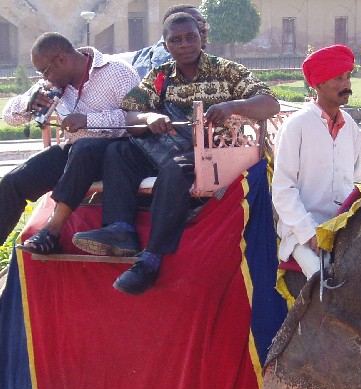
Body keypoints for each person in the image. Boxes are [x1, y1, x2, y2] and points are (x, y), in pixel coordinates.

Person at [71, 13, 280, 295]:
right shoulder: (160, 76)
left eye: (190, 37)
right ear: (166, 46)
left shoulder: (226, 70)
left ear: (201, 38)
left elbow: (270, 103)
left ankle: (151, 260)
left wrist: (233, 106)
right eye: (176, 40)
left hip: (212, 151)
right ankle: (120, 229)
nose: (184, 44)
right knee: (118, 151)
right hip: (167, 147)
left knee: (174, 169)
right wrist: (146, 118)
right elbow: (131, 111)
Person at [2, 32, 139, 251]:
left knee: (85, 148)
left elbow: (137, 119)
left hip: (118, 154)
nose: (45, 79)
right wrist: (29, 103)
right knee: (13, 181)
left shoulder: (117, 71)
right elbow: (9, 116)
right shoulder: (56, 83)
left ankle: (51, 231)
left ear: (61, 60)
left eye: (44, 72)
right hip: (76, 152)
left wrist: (87, 120)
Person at [271, 44, 361, 279]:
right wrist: (310, 232)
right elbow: (283, 190)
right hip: (300, 231)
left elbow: (358, 183)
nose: (346, 85)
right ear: (319, 84)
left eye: (348, 77)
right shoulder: (297, 126)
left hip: (342, 228)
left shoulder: (351, 128)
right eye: (339, 78)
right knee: (321, 278)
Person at [131, 3, 208, 78]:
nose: (204, 29)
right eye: (198, 23)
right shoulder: (171, 59)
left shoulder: (142, 55)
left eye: (204, 24)